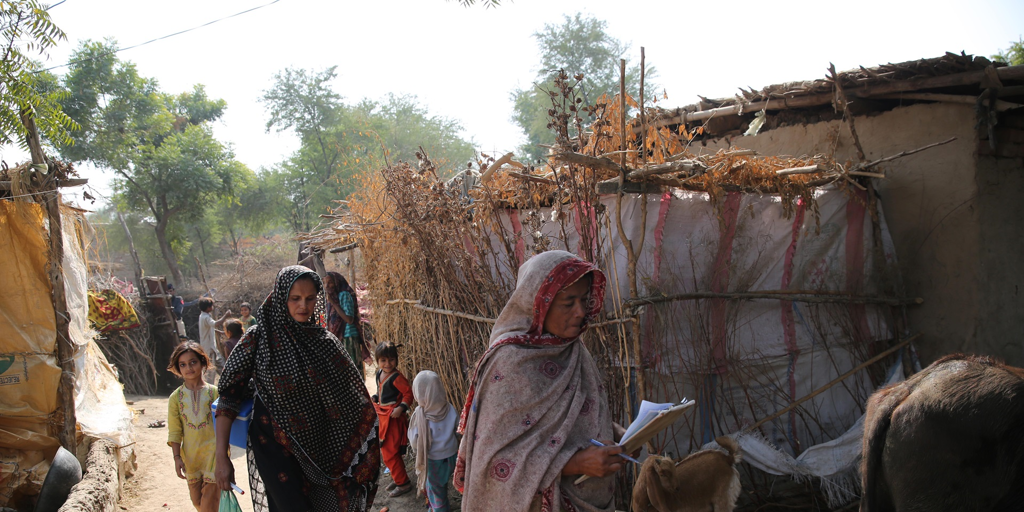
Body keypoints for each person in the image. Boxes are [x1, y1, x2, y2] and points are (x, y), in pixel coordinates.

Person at [455, 250, 625, 512]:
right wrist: (576, 463)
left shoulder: (574, 350)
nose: (580, 311)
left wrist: (615, 434)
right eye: (568, 303)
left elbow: (577, 412)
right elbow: (495, 463)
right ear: (539, 303)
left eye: (584, 299)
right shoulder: (509, 365)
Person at [214, 265, 379, 512]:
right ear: (281, 297)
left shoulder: (324, 342)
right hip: (274, 448)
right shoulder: (259, 339)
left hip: (322, 450)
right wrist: (221, 457)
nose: (303, 305)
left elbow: (353, 396)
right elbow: (228, 397)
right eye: (295, 298)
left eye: (310, 298)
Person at [166, 342, 220, 512]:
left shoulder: (215, 393)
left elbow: (224, 425)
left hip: (213, 456)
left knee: (209, 505)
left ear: (202, 363)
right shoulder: (175, 398)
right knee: (198, 502)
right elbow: (175, 431)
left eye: (193, 362)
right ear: (178, 368)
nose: (188, 368)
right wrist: (177, 458)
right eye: (183, 364)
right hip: (191, 458)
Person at [408, 371, 458, 511]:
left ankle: (440, 509)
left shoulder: (419, 415)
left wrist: (419, 451)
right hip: (451, 457)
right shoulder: (449, 408)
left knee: (436, 490)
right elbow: (458, 429)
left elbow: (414, 441)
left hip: (433, 460)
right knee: (443, 483)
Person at [371, 341, 413, 498]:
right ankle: (398, 477)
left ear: (396, 359)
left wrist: (401, 408)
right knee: (387, 450)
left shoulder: (397, 377)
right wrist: (376, 397)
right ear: (378, 361)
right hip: (384, 417)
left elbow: (409, 393)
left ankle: (404, 484)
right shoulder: (379, 374)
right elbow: (381, 391)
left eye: (391, 360)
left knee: (390, 452)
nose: (387, 364)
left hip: (393, 419)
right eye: (383, 360)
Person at [325, 272, 364, 373]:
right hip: (340, 338)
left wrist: (334, 304)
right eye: (324, 283)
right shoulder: (332, 297)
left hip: (348, 337)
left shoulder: (344, 295)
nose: (327, 286)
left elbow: (349, 319)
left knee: (351, 372)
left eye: (330, 282)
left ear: (336, 282)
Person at [197, 297, 231, 382]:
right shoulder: (206, 317)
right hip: (209, 348)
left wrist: (219, 332)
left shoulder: (202, 316)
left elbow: (209, 327)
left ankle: (228, 380)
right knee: (211, 370)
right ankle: (210, 387)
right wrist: (225, 316)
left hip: (211, 347)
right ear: (208, 307)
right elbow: (215, 324)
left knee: (221, 365)